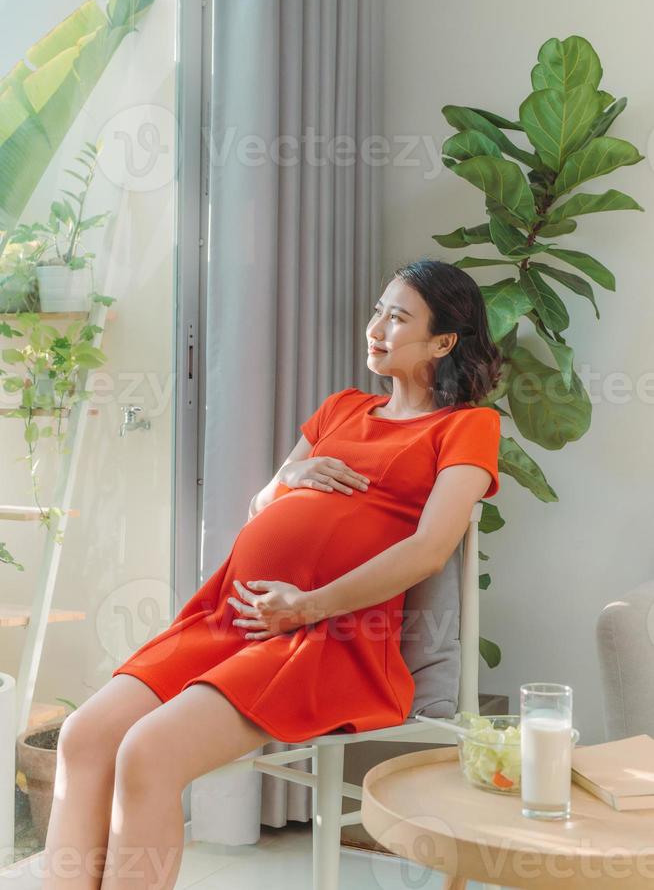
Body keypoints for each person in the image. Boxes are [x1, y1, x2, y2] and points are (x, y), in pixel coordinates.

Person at [42, 257, 503, 890]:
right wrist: (289, 478)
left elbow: (429, 548)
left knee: (147, 753)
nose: (376, 326)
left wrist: (308, 606)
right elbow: (263, 504)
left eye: (398, 317)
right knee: (83, 737)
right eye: (377, 309)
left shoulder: (466, 427)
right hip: (231, 616)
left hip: (327, 638)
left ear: (443, 341)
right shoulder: (341, 409)